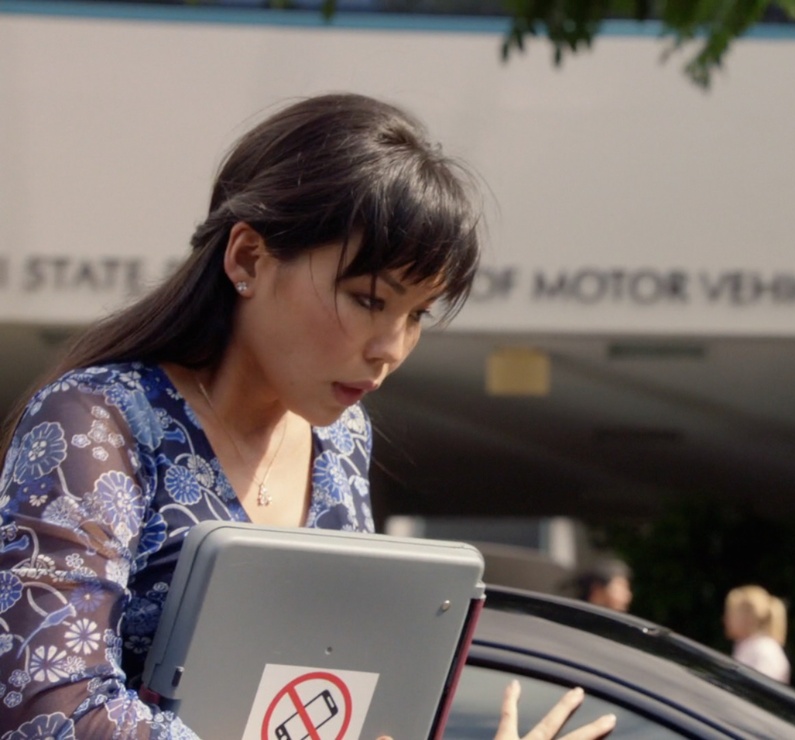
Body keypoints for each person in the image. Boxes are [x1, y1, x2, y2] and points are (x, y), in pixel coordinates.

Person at [0, 93, 614, 740]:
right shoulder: (98, 423)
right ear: (247, 258)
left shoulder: (342, 437)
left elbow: (339, 704)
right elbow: (49, 712)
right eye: (368, 299)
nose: (390, 348)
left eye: (416, 315)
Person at [722, 585, 790, 683]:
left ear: (747, 618)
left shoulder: (763, 651)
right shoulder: (750, 647)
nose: (725, 619)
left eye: (731, 614)